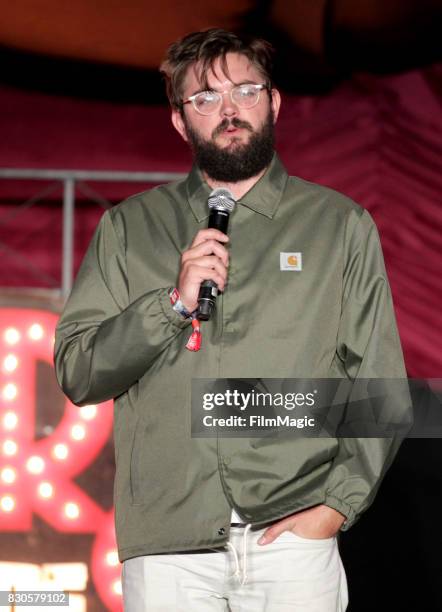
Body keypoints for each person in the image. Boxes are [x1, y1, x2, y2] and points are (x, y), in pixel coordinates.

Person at [54, 28, 408, 611]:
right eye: (205, 98)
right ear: (179, 120)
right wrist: (171, 304)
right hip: (170, 547)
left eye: (245, 90)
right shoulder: (130, 227)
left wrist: (336, 506)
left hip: (294, 541)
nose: (229, 110)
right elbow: (79, 372)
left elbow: (381, 385)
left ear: (274, 102)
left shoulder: (337, 225)